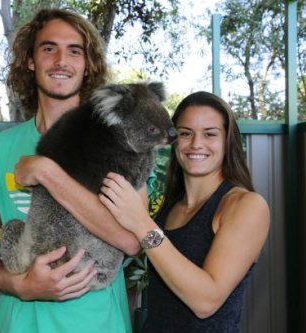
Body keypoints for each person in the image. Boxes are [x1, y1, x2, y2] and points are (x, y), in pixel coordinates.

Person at [0, 8, 144, 333]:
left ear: (87, 65)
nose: (62, 60)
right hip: (18, 323)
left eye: (74, 51)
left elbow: (132, 241)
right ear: (30, 60)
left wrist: (48, 173)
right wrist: (17, 284)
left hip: (99, 324)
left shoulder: (120, 144)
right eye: (49, 48)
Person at [98, 91, 271, 332]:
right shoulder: (171, 206)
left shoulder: (246, 206)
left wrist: (141, 222)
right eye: (185, 133)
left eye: (210, 134)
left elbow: (206, 301)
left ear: (227, 141)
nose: (196, 144)